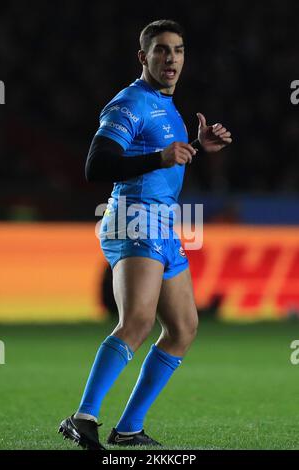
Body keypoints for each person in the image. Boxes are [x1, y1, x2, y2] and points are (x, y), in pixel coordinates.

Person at [59, 19, 232, 450]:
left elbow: (160, 159)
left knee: (184, 327)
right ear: (144, 57)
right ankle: (82, 417)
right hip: (133, 219)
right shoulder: (129, 103)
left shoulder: (166, 106)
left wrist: (194, 145)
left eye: (177, 50)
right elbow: (96, 166)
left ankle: (129, 428)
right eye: (161, 50)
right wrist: (159, 156)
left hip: (162, 225)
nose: (170, 58)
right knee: (136, 321)